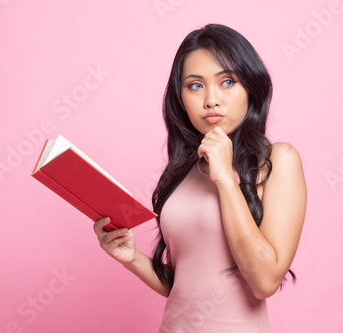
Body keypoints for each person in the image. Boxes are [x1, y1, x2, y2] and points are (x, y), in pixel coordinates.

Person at [93, 23, 307, 332]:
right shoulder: (184, 170)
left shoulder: (278, 161)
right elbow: (186, 285)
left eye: (227, 82)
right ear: (180, 96)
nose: (211, 100)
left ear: (251, 87)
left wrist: (225, 179)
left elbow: (264, 282)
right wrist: (132, 258)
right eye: (195, 85)